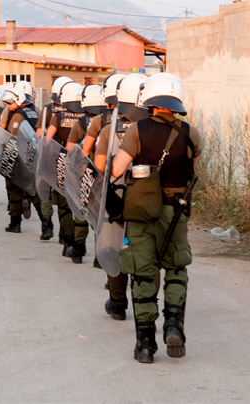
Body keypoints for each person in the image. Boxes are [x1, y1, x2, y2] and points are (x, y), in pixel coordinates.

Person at [111, 72, 200, 364]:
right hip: (176, 212)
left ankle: (145, 344)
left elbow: (115, 171)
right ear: (175, 102)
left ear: (149, 100)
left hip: (141, 213)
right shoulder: (191, 133)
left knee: (143, 274)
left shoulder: (137, 130)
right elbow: (192, 171)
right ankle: (174, 325)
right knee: (176, 268)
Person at [93, 73, 150, 321]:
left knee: (112, 247)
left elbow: (99, 167)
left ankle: (117, 304)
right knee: (145, 252)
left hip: (115, 198)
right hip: (149, 201)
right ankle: (145, 305)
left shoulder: (108, 129)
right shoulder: (155, 129)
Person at [39, 81, 85, 257]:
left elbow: (47, 139)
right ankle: (81, 244)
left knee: (65, 206)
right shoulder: (87, 117)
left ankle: (67, 242)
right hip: (81, 166)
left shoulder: (57, 116)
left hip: (62, 163)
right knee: (80, 205)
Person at [62, 84, 107, 264]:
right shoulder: (118, 121)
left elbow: (72, 149)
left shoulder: (83, 122)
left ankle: (79, 249)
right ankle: (99, 256)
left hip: (88, 172)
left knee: (82, 210)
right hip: (112, 175)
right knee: (101, 215)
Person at [0, 87, 50, 237]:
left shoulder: (17, 116)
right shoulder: (33, 110)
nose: (8, 106)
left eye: (10, 102)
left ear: (19, 100)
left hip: (18, 157)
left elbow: (11, 139)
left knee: (14, 190)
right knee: (34, 191)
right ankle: (47, 225)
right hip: (32, 156)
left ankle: (15, 224)